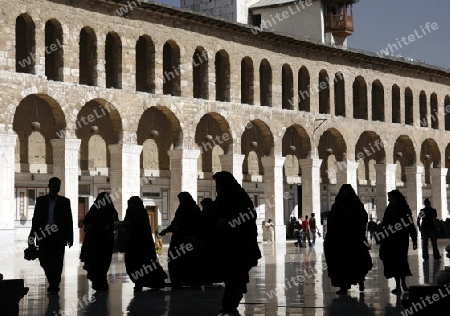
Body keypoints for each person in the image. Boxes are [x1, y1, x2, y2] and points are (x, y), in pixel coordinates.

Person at [212, 171, 261, 314]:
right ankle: (229, 304)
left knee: (235, 276)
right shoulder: (225, 197)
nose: (217, 187)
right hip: (227, 245)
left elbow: (249, 216)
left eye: (219, 184)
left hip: (239, 245)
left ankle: (229, 304)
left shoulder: (238, 197)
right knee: (231, 276)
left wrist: (229, 224)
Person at [27, 177, 73, 294]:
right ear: (49, 186)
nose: (55, 188)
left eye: (58, 186)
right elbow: (35, 220)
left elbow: (69, 220)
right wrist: (32, 236)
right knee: (44, 260)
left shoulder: (65, 202)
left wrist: (70, 237)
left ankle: (54, 283)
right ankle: (52, 279)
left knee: (57, 262)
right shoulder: (40, 201)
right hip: (44, 235)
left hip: (59, 236)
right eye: (54, 185)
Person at [324, 184, 372, 295]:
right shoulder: (338, 205)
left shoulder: (356, 205)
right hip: (340, 240)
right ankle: (344, 286)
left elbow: (363, 218)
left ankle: (360, 280)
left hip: (353, 239)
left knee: (356, 262)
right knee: (342, 264)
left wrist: (351, 220)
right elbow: (332, 220)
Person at [160, 192, 203, 287]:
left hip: (182, 239)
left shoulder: (183, 209)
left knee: (178, 259)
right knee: (189, 260)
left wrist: (168, 230)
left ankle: (179, 280)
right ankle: (192, 281)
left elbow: (178, 223)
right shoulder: (195, 209)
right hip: (189, 239)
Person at [124, 196, 167, 291]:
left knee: (141, 263)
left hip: (138, 244)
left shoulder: (139, 213)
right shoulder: (139, 212)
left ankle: (143, 282)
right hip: (140, 244)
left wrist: (127, 225)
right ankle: (140, 282)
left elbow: (137, 227)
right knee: (138, 264)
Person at [379, 190, 417, 294]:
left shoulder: (404, 209)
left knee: (401, 261)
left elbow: (410, 224)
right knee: (394, 262)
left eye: (390, 198)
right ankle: (398, 285)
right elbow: (385, 222)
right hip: (390, 239)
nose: (388, 199)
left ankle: (403, 284)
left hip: (401, 239)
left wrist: (414, 239)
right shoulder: (389, 208)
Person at [80, 192, 119, 292]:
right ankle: (98, 283)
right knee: (95, 262)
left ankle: (101, 281)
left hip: (106, 241)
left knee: (104, 262)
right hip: (95, 241)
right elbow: (87, 220)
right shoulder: (94, 209)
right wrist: (89, 225)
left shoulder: (111, 209)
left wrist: (109, 226)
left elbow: (115, 221)